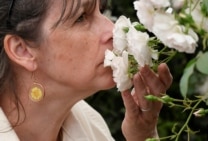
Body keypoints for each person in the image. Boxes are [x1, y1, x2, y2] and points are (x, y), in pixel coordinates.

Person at [0, 0, 173, 141]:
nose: (111, 30)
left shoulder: (90, 125)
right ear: (22, 50)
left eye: (101, 10)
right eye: (81, 17)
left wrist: (143, 135)